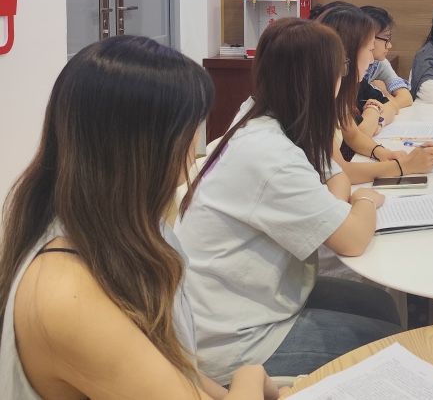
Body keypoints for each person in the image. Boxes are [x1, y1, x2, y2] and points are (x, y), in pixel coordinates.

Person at [0, 36, 274, 399]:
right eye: (190, 131)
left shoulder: (124, 229)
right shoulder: (65, 294)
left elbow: (172, 367)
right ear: (146, 148)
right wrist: (249, 377)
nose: (194, 147)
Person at [177, 19, 402, 384]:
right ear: (320, 79)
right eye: (342, 67)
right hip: (237, 340)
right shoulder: (271, 154)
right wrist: (363, 201)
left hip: (256, 297)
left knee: (379, 304)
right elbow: (352, 239)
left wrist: (340, 204)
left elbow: (336, 176)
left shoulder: (269, 120)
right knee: (390, 345)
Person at [315, 6, 433, 181]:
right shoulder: (318, 99)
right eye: (369, 49)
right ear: (349, 52)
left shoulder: (339, 91)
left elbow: (353, 135)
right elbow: (339, 171)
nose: (372, 59)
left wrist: (381, 152)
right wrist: (404, 166)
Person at [361, 5, 413, 111]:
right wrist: (384, 97)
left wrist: (384, 93)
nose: (389, 46)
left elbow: (406, 98)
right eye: (386, 39)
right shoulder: (346, 68)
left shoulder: (379, 63)